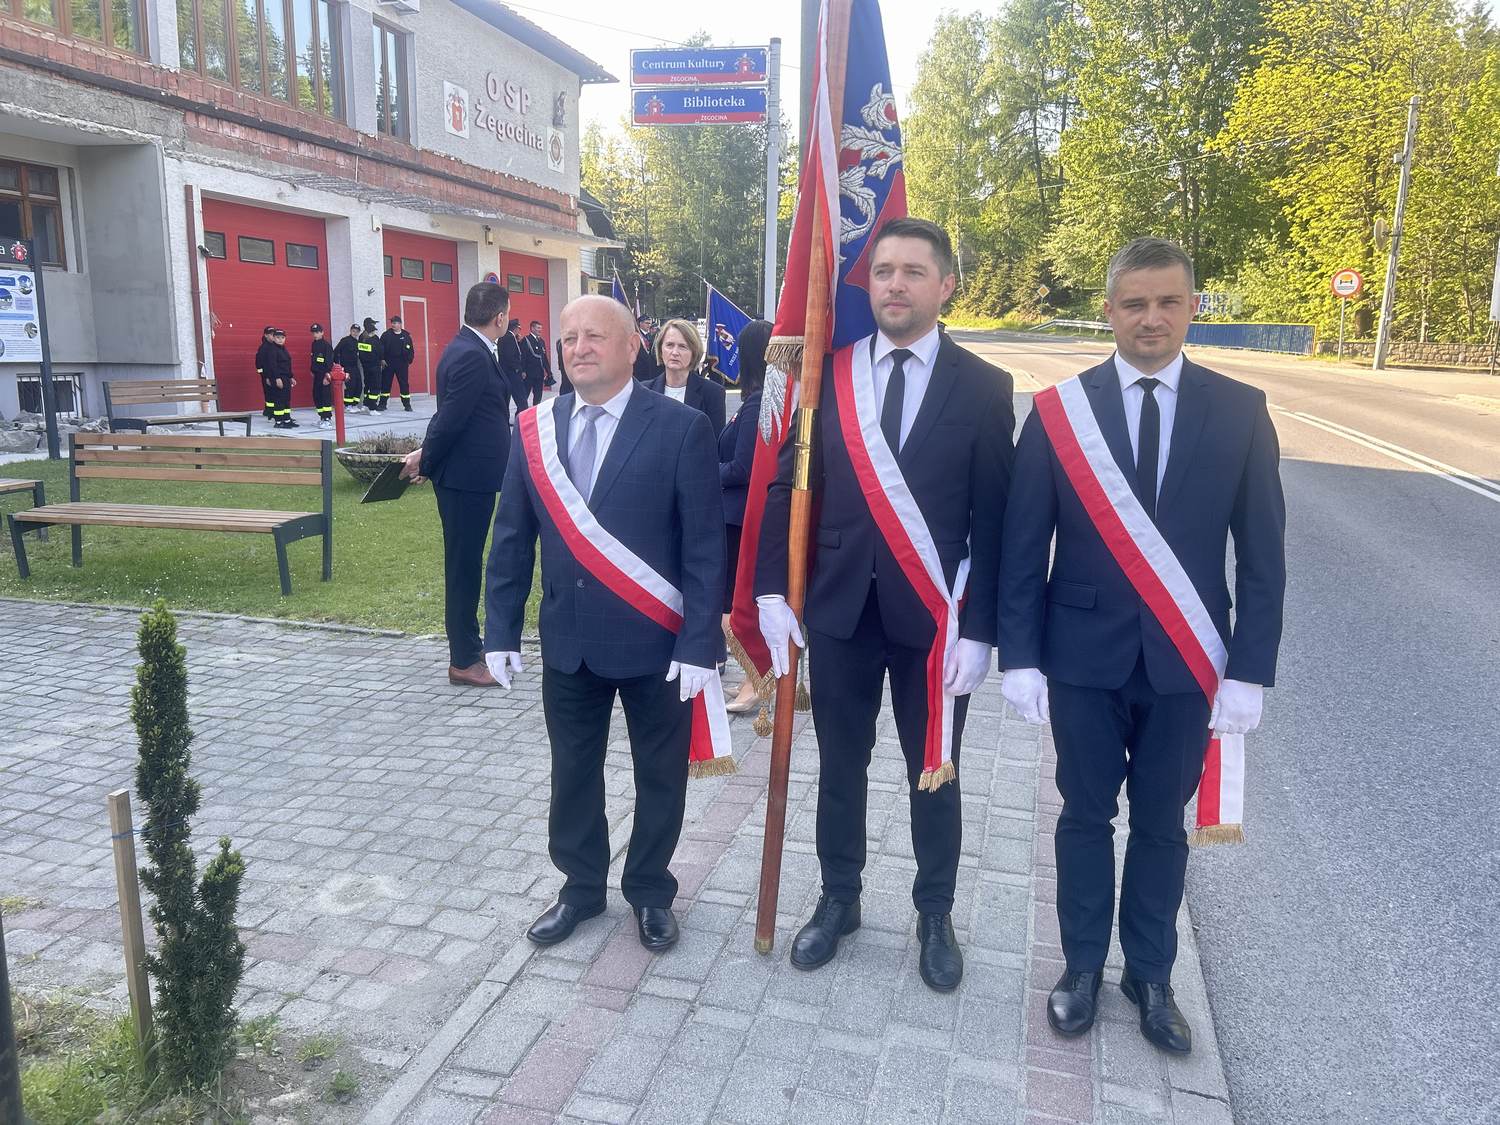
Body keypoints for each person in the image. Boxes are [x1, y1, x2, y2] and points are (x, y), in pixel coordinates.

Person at [999, 237, 1286, 1055]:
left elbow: (1263, 556)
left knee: (1163, 823)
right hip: (1081, 657)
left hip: (1188, 665)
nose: (1151, 318)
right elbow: (1024, 546)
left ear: (1193, 306)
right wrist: (1020, 655)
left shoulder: (1241, 410)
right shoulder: (1060, 412)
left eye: (1167, 302)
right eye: (1134, 303)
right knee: (1085, 816)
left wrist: (1249, 671)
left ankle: (1151, 974)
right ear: (1109, 311)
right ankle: (1083, 965)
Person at [756, 217, 1014, 992]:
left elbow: (996, 519)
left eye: (913, 271)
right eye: (883, 271)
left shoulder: (984, 387)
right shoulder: (828, 374)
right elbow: (787, 484)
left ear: (946, 285)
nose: (895, 284)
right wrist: (771, 587)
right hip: (839, 610)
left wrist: (983, 630)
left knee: (934, 769)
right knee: (840, 765)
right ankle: (840, 897)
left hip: (934, 624)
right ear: (867, 285)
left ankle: (934, 913)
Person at [483, 295, 725, 952]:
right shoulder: (534, 428)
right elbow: (511, 537)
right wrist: (500, 630)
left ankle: (649, 889)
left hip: (656, 643)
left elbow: (705, 547)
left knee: (660, 775)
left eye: (594, 336)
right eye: (568, 338)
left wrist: (701, 642)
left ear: (631, 346)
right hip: (569, 639)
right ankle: (582, 886)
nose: (579, 348)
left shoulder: (681, 428)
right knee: (572, 772)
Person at [399, 282, 518, 687]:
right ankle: (463, 660)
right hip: (466, 480)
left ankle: (470, 645)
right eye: (507, 315)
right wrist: (427, 461)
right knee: (464, 569)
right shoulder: (470, 354)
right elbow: (450, 419)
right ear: (499, 317)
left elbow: (453, 414)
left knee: (467, 565)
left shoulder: (469, 347)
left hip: (472, 478)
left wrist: (424, 455)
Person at [719, 319, 771, 714]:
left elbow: (742, 468)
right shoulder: (759, 399)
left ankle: (756, 680)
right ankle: (754, 677)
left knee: (732, 607)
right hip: (735, 517)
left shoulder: (757, 403)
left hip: (737, 519)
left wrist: (702, 469)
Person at [645, 319, 726, 436]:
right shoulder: (644, 391)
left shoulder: (712, 393)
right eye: (669, 345)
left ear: (694, 352)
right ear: (661, 350)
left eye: (682, 346)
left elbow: (715, 440)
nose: (675, 352)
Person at [380, 315, 416, 412]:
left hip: (402, 364)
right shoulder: (386, 335)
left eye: (395, 323)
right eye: (392, 323)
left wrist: (409, 360)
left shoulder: (406, 336)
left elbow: (411, 349)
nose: (393, 325)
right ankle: (382, 404)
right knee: (385, 383)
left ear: (400, 324)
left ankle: (407, 405)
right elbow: (381, 348)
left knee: (404, 384)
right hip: (388, 363)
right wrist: (382, 359)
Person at [266, 328, 298, 429]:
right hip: (278, 378)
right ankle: (279, 422)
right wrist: (277, 378)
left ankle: (287, 420)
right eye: (278, 337)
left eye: (282, 338)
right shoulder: (272, 350)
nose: (280, 340)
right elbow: (272, 366)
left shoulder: (283, 349)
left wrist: (291, 377)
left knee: (286, 400)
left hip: (286, 378)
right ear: (274, 338)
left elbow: (287, 365)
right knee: (279, 400)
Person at [499, 318, 530, 414]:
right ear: (516, 328)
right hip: (512, 373)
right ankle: (522, 418)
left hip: (508, 372)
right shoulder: (509, 338)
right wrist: (518, 369)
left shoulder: (508, 337)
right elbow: (510, 356)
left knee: (509, 398)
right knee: (521, 399)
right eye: (519, 329)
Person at [522, 319, 552, 406]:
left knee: (538, 396)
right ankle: (521, 412)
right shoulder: (526, 340)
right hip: (529, 374)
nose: (540, 330)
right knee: (524, 397)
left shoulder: (541, 341)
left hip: (539, 374)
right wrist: (523, 371)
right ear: (532, 328)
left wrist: (549, 372)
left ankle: (535, 411)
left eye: (541, 328)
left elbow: (544, 358)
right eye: (538, 328)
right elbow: (523, 357)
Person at [334, 323, 363, 413]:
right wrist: (339, 366)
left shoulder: (358, 342)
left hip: (355, 367)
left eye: (357, 332)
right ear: (350, 331)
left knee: (359, 385)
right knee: (350, 386)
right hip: (347, 367)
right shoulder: (345, 340)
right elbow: (335, 352)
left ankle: (354, 405)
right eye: (353, 331)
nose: (355, 333)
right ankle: (348, 405)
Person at [309, 323, 334, 428]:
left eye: (317, 332)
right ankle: (322, 417)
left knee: (325, 396)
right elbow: (314, 359)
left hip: (324, 375)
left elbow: (329, 362)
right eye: (313, 333)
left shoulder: (326, 345)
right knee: (317, 395)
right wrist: (312, 370)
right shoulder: (314, 344)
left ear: (322, 332)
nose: (315, 334)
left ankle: (327, 419)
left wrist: (327, 376)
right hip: (317, 375)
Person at [358, 317, 384, 411]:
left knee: (368, 385)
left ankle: (366, 404)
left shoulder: (362, 338)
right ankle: (372, 406)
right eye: (373, 324)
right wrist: (380, 359)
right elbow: (378, 351)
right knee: (375, 385)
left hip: (367, 366)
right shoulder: (371, 339)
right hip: (373, 365)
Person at [254, 326, 277, 420]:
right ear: (266, 335)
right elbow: (259, 363)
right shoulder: (264, 348)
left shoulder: (275, 346)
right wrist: (264, 376)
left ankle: (268, 410)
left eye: (274, 334)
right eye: (271, 334)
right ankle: (270, 412)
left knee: (274, 393)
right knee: (269, 394)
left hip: (274, 374)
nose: (273, 336)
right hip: (267, 376)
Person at [633, 314, 658, 382]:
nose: (649, 325)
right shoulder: (637, 335)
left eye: (650, 323)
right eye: (647, 323)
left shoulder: (650, 335)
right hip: (639, 368)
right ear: (640, 323)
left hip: (649, 368)